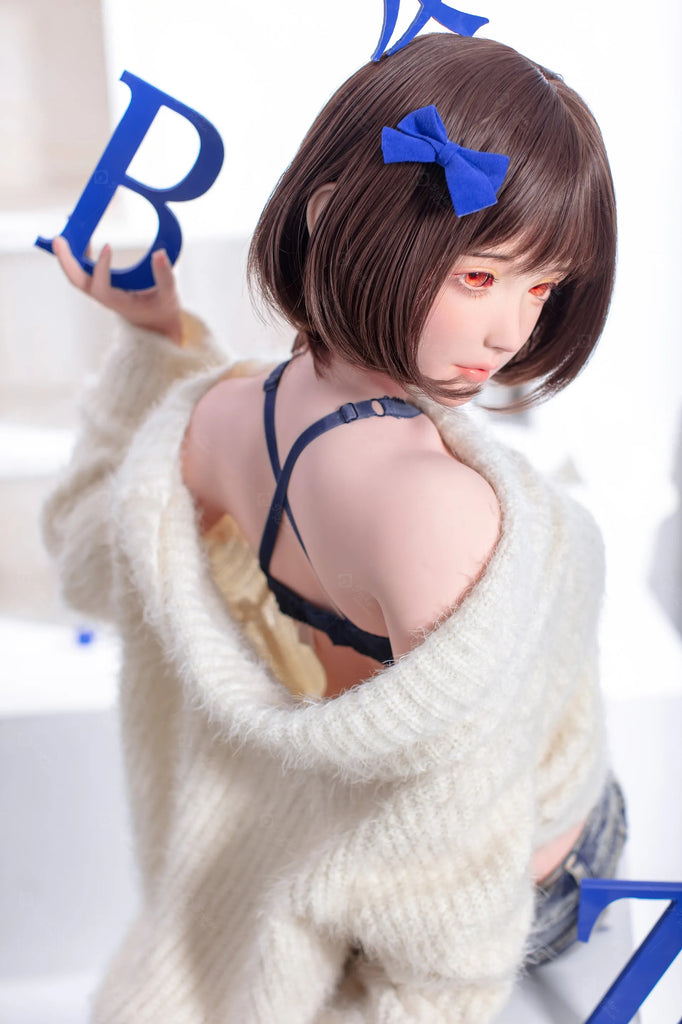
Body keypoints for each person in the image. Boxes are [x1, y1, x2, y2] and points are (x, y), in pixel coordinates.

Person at [44, 31, 627, 1024]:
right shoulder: (432, 507)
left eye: (541, 288)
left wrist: (154, 340)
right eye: (479, 278)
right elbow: (456, 900)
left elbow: (90, 556)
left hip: (351, 825)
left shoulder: (217, 418)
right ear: (333, 221)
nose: (509, 334)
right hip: (536, 877)